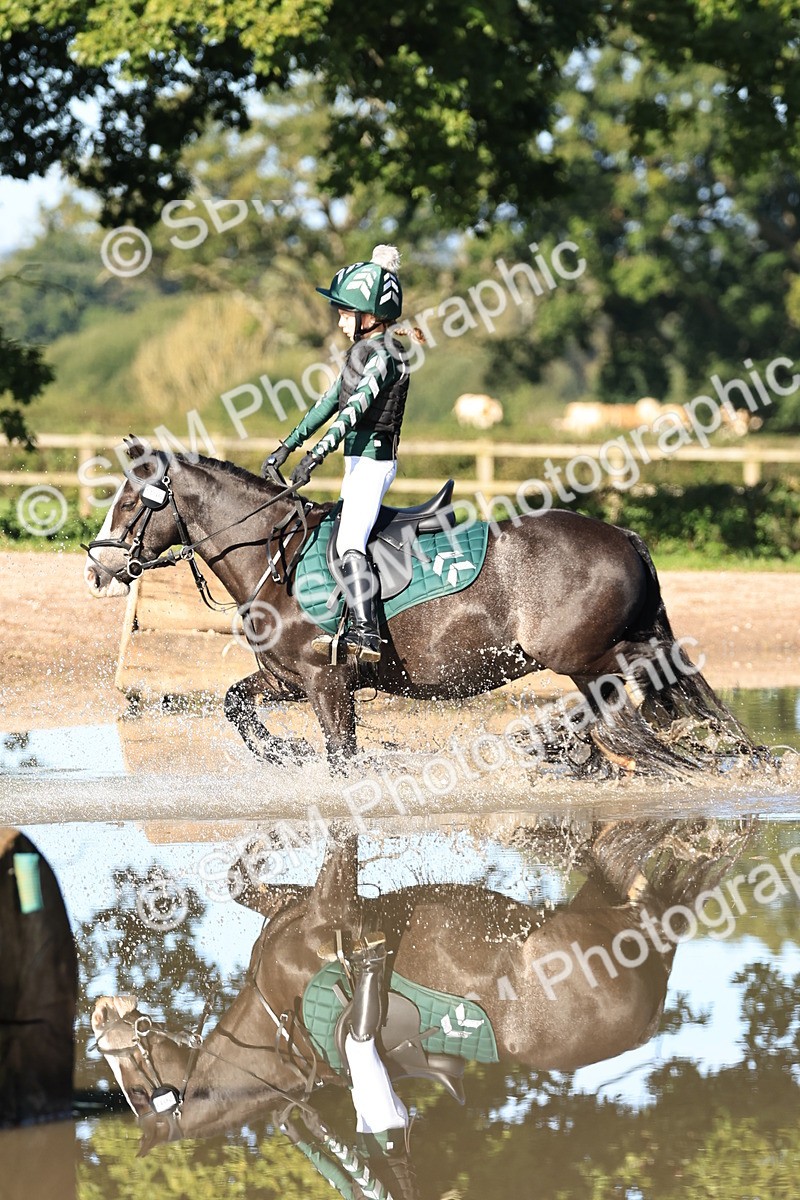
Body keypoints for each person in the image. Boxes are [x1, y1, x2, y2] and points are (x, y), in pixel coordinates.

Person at [263, 245, 419, 663]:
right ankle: (342, 620)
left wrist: (314, 457)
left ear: (369, 315)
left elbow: (353, 412)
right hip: (356, 462)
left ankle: (367, 634)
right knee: (336, 536)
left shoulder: (386, 356)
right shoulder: (359, 352)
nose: (339, 318)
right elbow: (327, 403)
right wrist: (287, 445)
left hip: (373, 462)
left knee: (350, 540)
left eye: (345, 311)